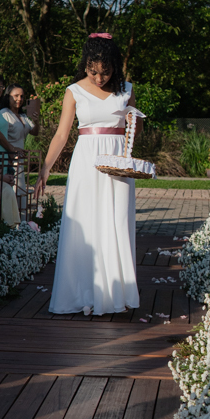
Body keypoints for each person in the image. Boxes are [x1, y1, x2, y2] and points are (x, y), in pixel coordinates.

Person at [37, 35, 139, 316]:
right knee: (84, 224)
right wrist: (45, 168)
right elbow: (61, 134)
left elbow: (134, 133)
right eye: (93, 71)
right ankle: (82, 292)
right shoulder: (74, 91)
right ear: (85, 65)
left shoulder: (127, 89)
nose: (99, 77)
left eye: (105, 71)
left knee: (116, 223)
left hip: (117, 164)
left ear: (115, 67)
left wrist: (136, 123)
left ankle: (114, 294)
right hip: (86, 162)